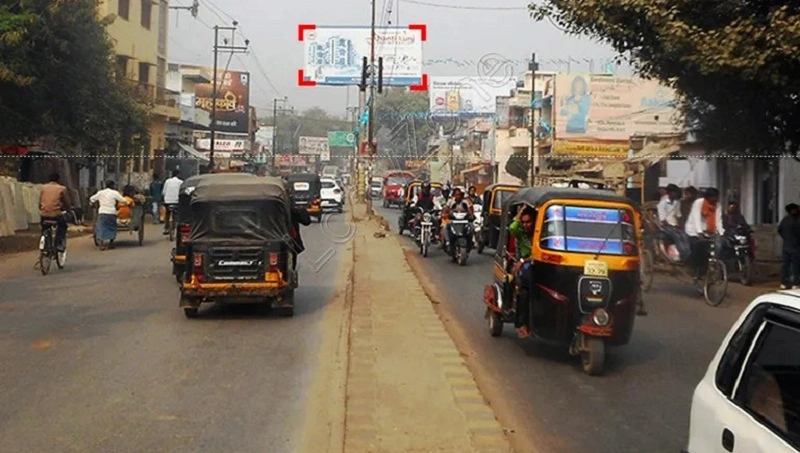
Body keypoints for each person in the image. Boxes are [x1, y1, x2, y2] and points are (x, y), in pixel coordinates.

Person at [685, 188, 724, 279]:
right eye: (714, 197)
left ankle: (711, 267)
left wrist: (721, 233)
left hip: (709, 231)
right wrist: (699, 232)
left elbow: (718, 220)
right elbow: (696, 218)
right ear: (708, 197)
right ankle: (692, 266)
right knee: (699, 248)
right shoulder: (698, 203)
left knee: (717, 246)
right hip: (694, 230)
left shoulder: (717, 205)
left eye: (717, 197)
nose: (716, 199)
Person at [508, 206, 535, 338]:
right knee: (523, 290)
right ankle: (522, 323)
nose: (525, 225)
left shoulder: (540, 233)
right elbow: (512, 228)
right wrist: (520, 212)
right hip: (526, 266)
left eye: (528, 222)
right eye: (523, 222)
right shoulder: (521, 233)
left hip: (537, 263)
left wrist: (525, 260)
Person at [90, 180, 129, 249]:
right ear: (112, 186)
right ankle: (111, 243)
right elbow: (123, 200)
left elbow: (92, 198)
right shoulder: (114, 193)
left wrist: (92, 203)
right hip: (111, 212)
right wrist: (127, 202)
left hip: (102, 212)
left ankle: (101, 244)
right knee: (112, 227)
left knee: (101, 227)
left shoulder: (100, 193)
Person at [39, 173, 72, 252]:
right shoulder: (62, 188)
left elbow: (40, 202)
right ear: (58, 180)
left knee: (44, 228)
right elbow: (67, 202)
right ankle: (59, 244)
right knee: (63, 226)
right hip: (56, 215)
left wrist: (42, 209)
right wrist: (69, 210)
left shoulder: (43, 188)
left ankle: (46, 244)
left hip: (44, 214)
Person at [657, 184, 690, 260]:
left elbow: (678, 215)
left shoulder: (676, 203)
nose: (675, 194)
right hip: (665, 226)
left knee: (684, 235)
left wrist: (680, 226)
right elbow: (663, 220)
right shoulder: (662, 204)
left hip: (674, 224)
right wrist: (672, 227)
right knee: (677, 236)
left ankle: (688, 253)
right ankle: (683, 254)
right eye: (673, 192)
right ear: (669, 193)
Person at [777, 203, 800, 289]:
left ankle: (784, 282)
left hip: (786, 246)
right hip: (796, 247)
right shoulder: (797, 220)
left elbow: (779, 230)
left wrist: (786, 238)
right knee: (795, 266)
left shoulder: (785, 219)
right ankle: (795, 283)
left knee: (785, 265)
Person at [289, 199, 311, 271]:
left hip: (289, 244)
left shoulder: (292, 211)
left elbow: (306, 221)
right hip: (289, 243)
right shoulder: (291, 210)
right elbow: (306, 221)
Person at [162, 170, 183, 234]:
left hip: (167, 201)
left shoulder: (167, 181)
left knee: (167, 213)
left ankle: (166, 228)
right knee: (176, 214)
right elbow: (182, 192)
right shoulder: (181, 182)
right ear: (178, 175)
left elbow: (163, 192)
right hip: (176, 201)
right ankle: (176, 226)